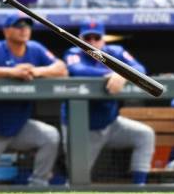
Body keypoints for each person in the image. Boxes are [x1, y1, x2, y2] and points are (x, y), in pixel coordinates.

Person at [0, 14, 64, 186]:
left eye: (26, 26)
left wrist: (36, 71)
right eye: (18, 26)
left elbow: (61, 68)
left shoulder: (35, 48)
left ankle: (38, 184)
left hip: (18, 127)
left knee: (50, 136)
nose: (23, 30)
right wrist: (12, 72)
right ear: (6, 31)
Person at [63, 20, 156, 185]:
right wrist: (113, 73)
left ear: (103, 39)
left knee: (144, 135)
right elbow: (77, 70)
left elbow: (140, 69)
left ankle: (139, 187)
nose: (92, 42)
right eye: (87, 38)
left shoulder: (116, 51)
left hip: (110, 124)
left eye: (96, 37)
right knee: (76, 178)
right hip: (81, 129)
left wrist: (122, 75)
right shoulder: (73, 53)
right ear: (79, 39)